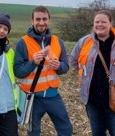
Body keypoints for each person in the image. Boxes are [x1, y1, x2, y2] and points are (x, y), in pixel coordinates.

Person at [14, 5, 73, 136]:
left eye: (44, 19)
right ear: (32, 21)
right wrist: (33, 62)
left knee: (66, 129)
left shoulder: (58, 41)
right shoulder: (22, 43)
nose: (41, 22)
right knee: (33, 132)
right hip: (32, 98)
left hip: (53, 96)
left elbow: (65, 67)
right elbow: (17, 72)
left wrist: (59, 66)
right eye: (38, 19)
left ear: (49, 20)